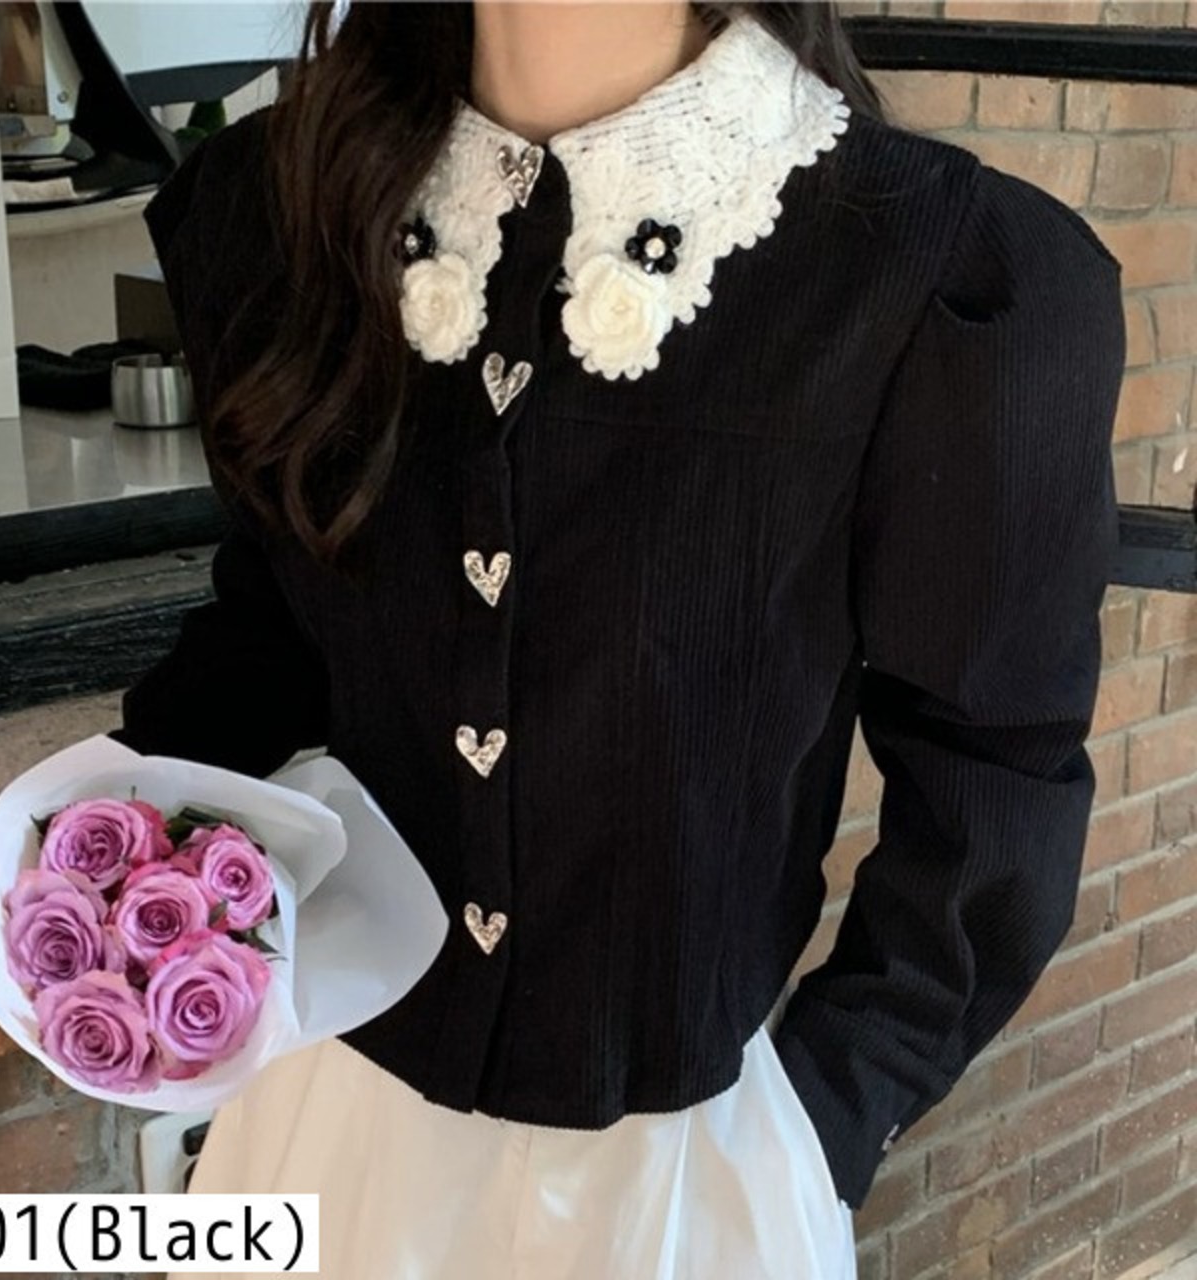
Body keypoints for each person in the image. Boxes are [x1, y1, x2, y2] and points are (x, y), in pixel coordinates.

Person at [110, 1, 1126, 1275]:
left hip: (684, 1182)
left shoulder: (922, 267)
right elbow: (276, 632)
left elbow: (992, 769)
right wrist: (95, 871)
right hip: (316, 1133)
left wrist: (823, 1112)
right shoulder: (281, 208)